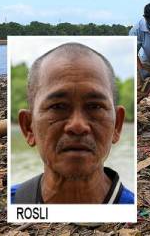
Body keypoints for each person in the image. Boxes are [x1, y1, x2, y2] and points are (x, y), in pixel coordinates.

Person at [12, 43, 134, 204]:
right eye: (58, 107)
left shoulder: (137, 211)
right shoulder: (12, 204)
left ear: (117, 125)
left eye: (95, 107)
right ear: (28, 127)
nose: (78, 126)